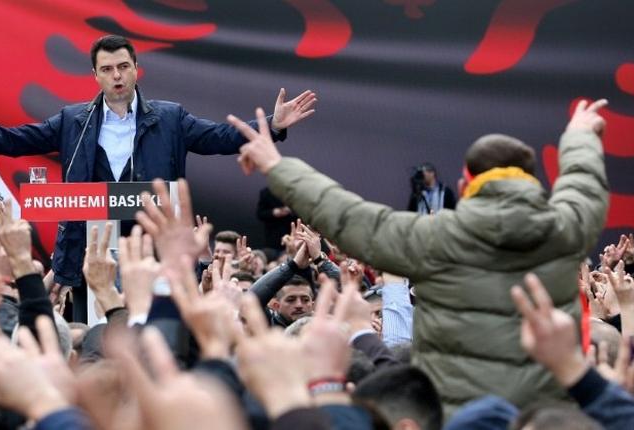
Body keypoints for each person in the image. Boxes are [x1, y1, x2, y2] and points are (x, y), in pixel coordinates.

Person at [227, 99, 609, 416]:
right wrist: (579, 138)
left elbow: (346, 214)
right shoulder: (567, 227)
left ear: (464, 186)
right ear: (533, 181)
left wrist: (277, 167)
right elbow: (583, 183)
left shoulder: (435, 237)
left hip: (459, 418)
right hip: (546, 419)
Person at [0, 34, 316, 321]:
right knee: (98, 333)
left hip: (152, 248)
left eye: (123, 67)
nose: (116, 75)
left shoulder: (170, 118)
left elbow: (221, 137)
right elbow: (14, 139)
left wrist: (273, 125)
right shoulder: (74, 121)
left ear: (138, 70)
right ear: (96, 76)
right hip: (91, 248)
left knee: (154, 331)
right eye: (107, 69)